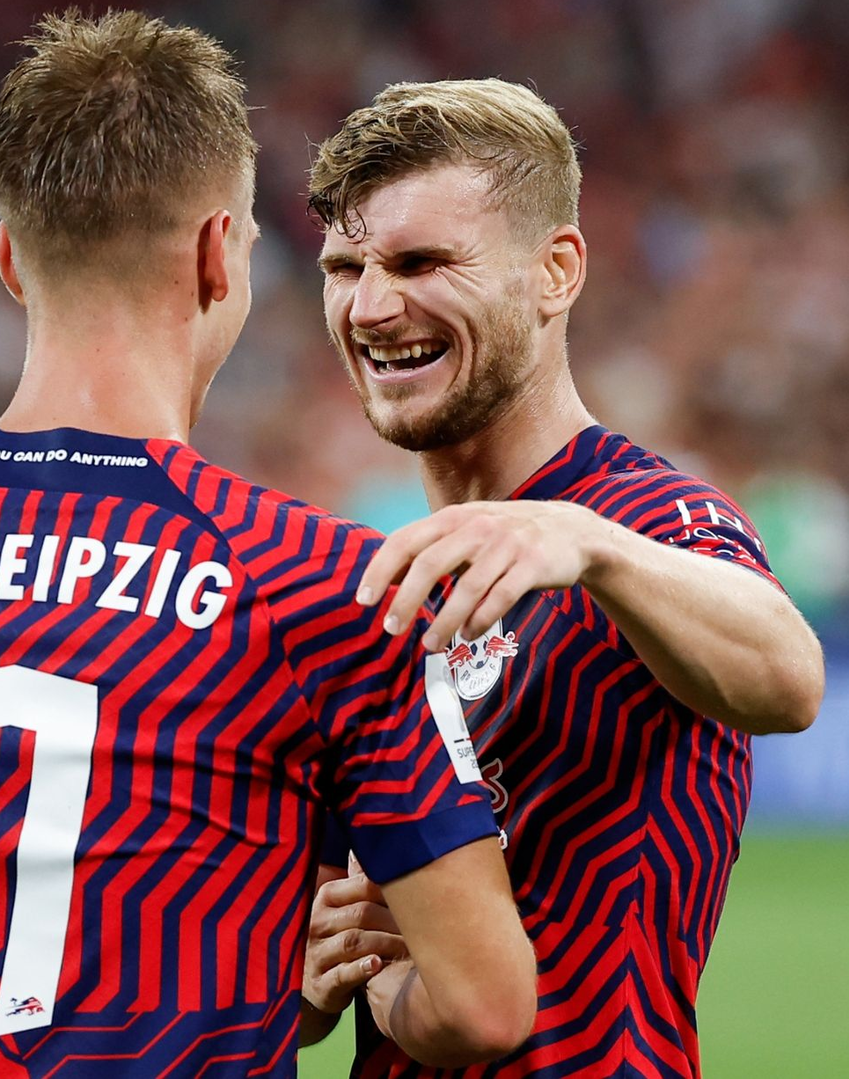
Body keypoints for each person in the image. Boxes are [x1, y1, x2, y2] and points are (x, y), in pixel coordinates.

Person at [0, 12, 536, 1077]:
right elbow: (487, 1004)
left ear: (9, 258)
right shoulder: (326, 583)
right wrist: (352, 981)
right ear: (218, 254)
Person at [300, 79, 825, 1078]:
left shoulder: (643, 523)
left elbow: (788, 677)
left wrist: (593, 547)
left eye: (421, 262)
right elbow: (299, 988)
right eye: (345, 266)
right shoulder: (370, 589)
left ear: (554, 272)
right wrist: (311, 977)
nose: (371, 306)